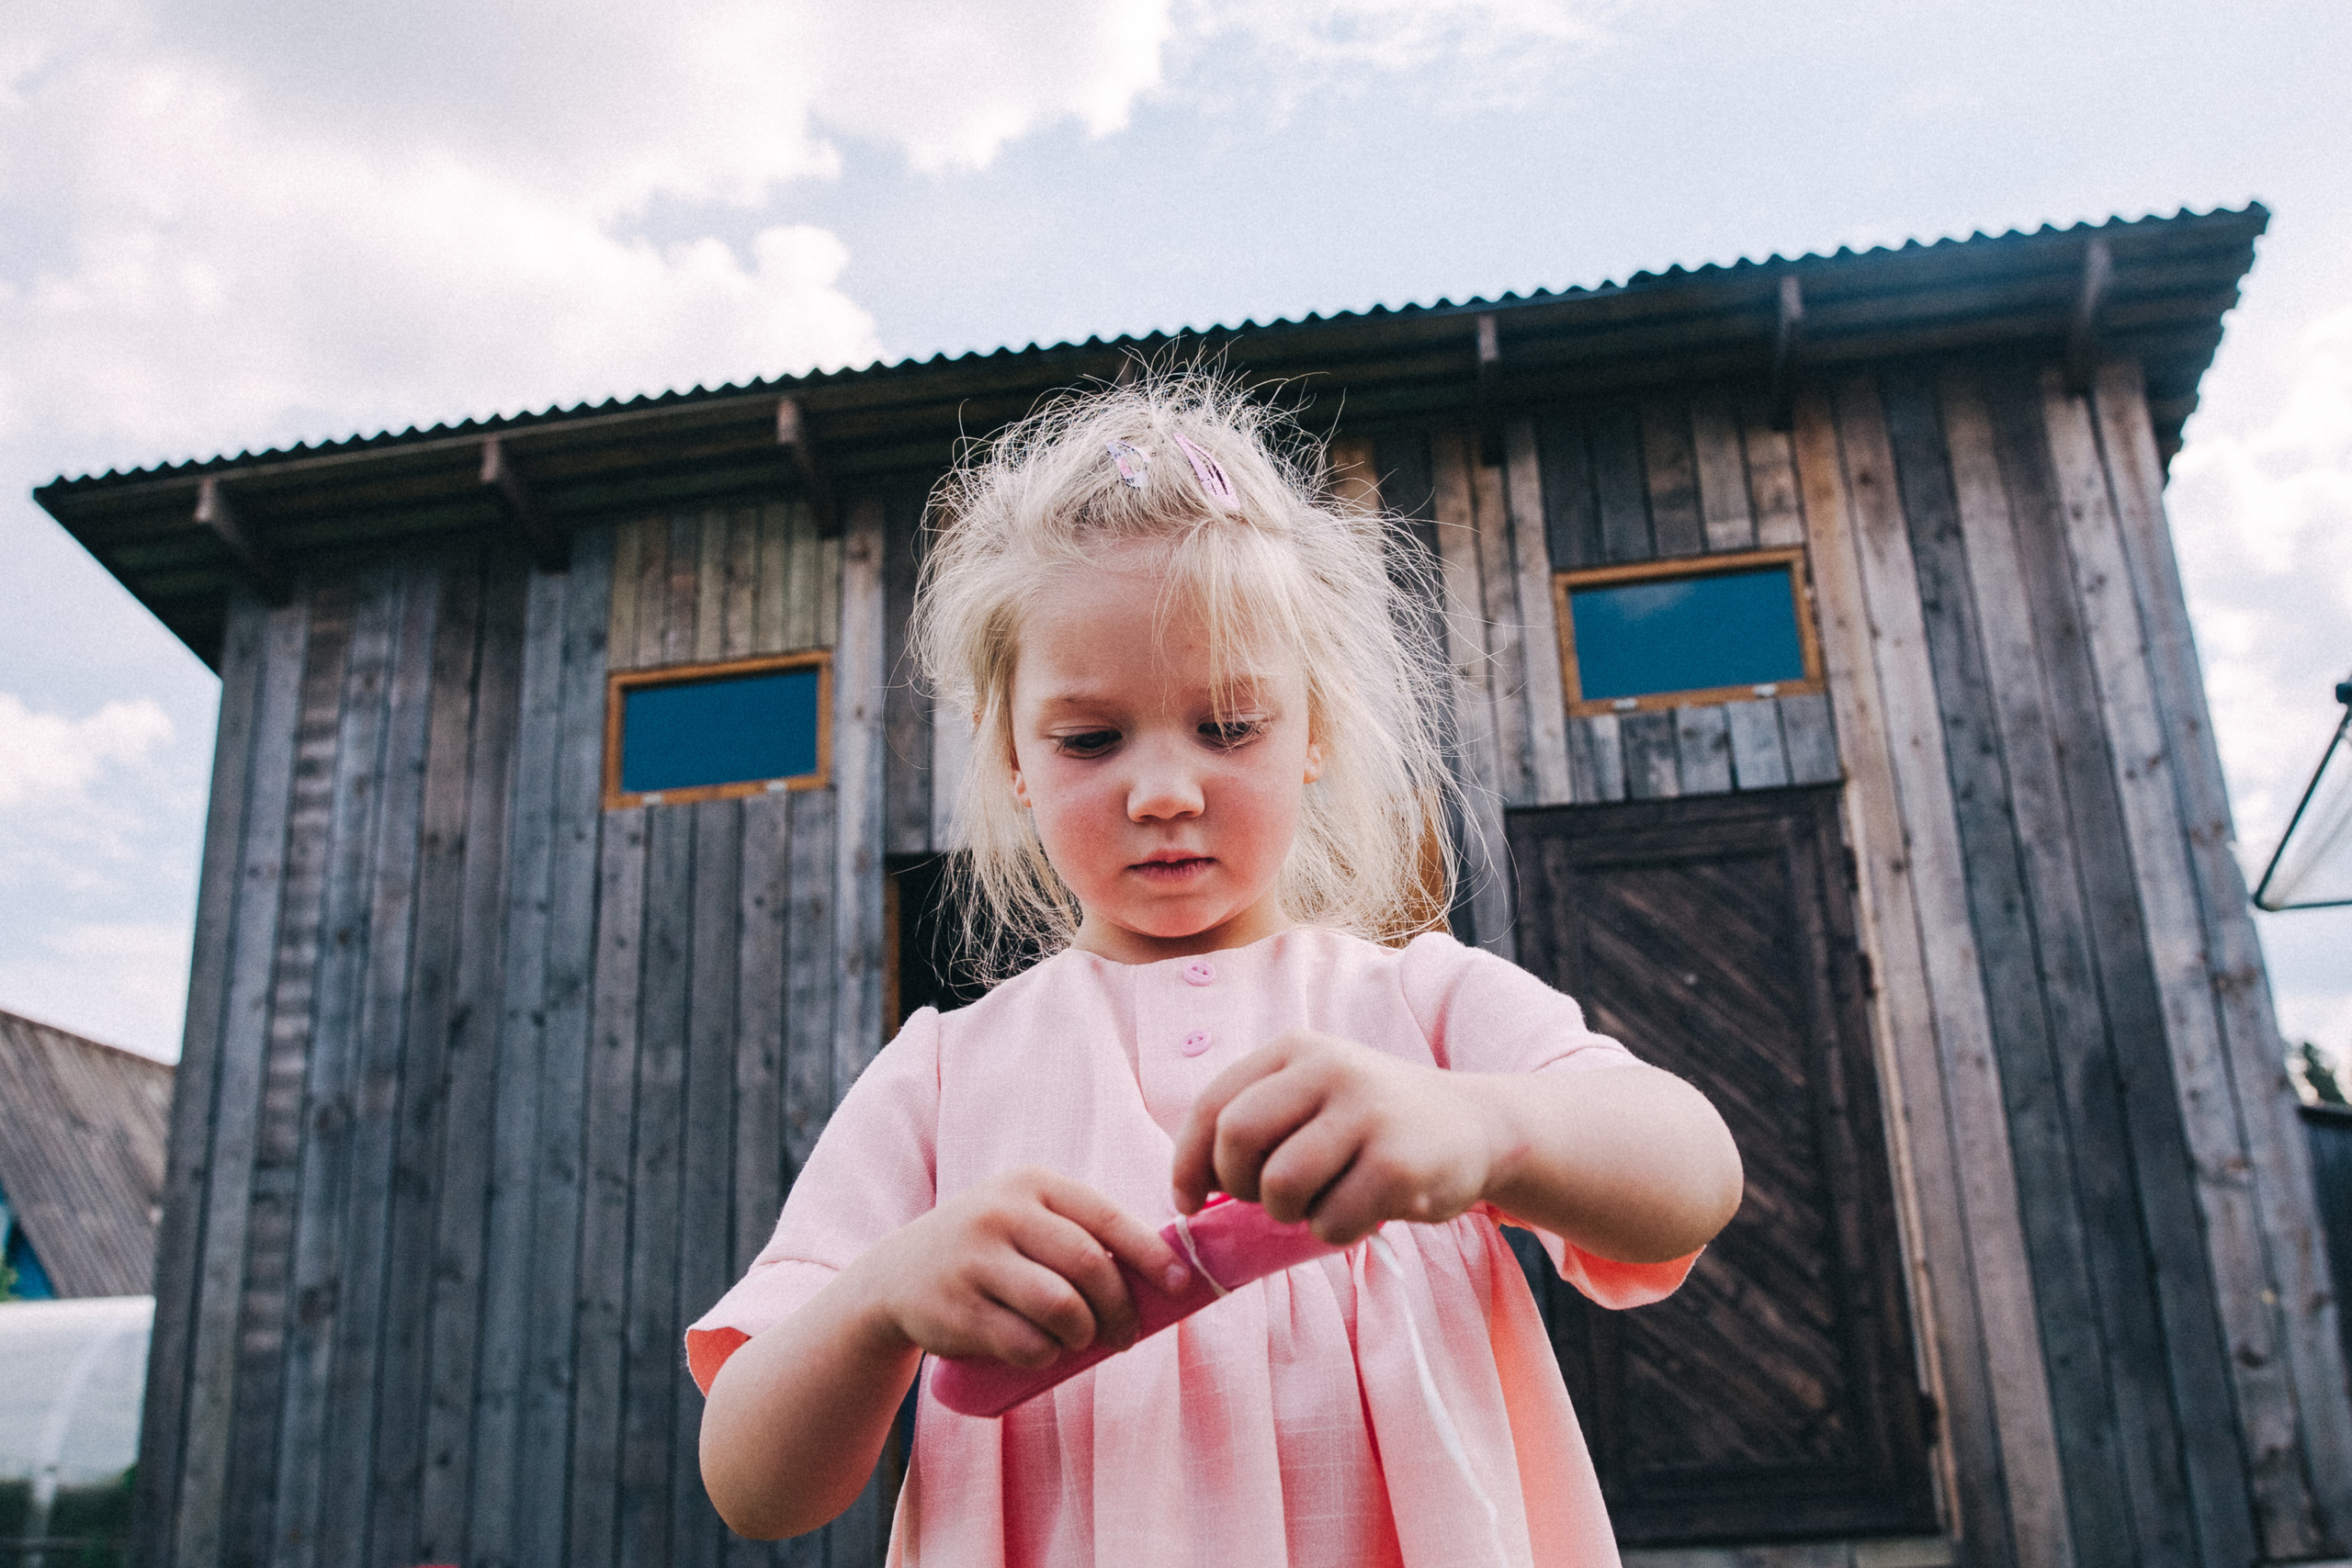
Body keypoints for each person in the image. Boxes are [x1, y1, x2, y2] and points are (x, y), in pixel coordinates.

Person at [690, 373, 1744, 1567]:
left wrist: (1483, 1128)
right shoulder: (943, 1076)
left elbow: (1693, 1169)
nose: (1164, 789)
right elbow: (753, 1482)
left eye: (1230, 724)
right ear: (1014, 760)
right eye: (1091, 738)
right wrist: (879, 1301)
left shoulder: (1422, 1008)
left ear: (1317, 732)